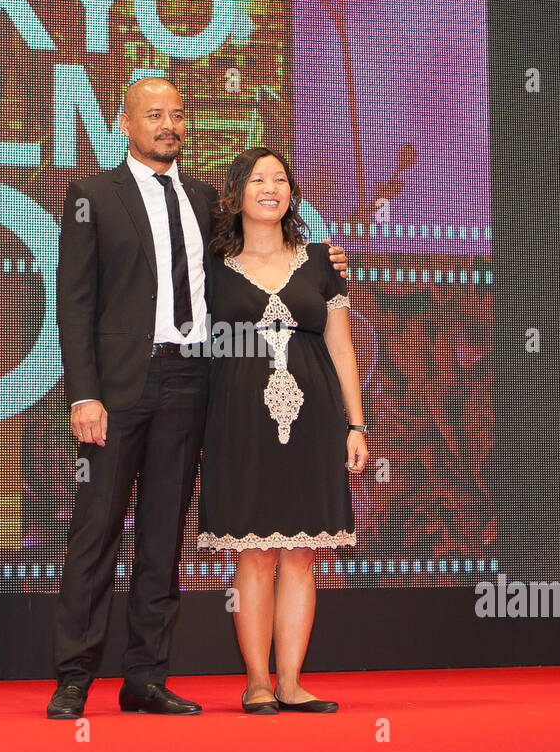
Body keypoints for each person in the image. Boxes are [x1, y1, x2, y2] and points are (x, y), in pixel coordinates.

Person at [48, 79, 348, 719]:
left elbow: (266, 245)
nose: (169, 124)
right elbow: (73, 306)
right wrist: (84, 395)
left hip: (191, 383)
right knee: (96, 531)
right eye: (154, 114)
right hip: (119, 390)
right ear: (124, 122)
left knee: (161, 541)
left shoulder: (209, 199)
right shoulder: (92, 197)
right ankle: (74, 677)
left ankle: (145, 678)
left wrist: (325, 257)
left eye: (178, 114)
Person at [197, 147, 368, 714]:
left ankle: (292, 681)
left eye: (280, 179)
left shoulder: (323, 260)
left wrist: (356, 424)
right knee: (256, 555)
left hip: (316, 422)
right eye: (257, 179)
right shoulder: (210, 267)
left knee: (300, 554)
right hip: (238, 424)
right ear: (237, 191)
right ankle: (257, 683)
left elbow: (342, 350)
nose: (271, 188)